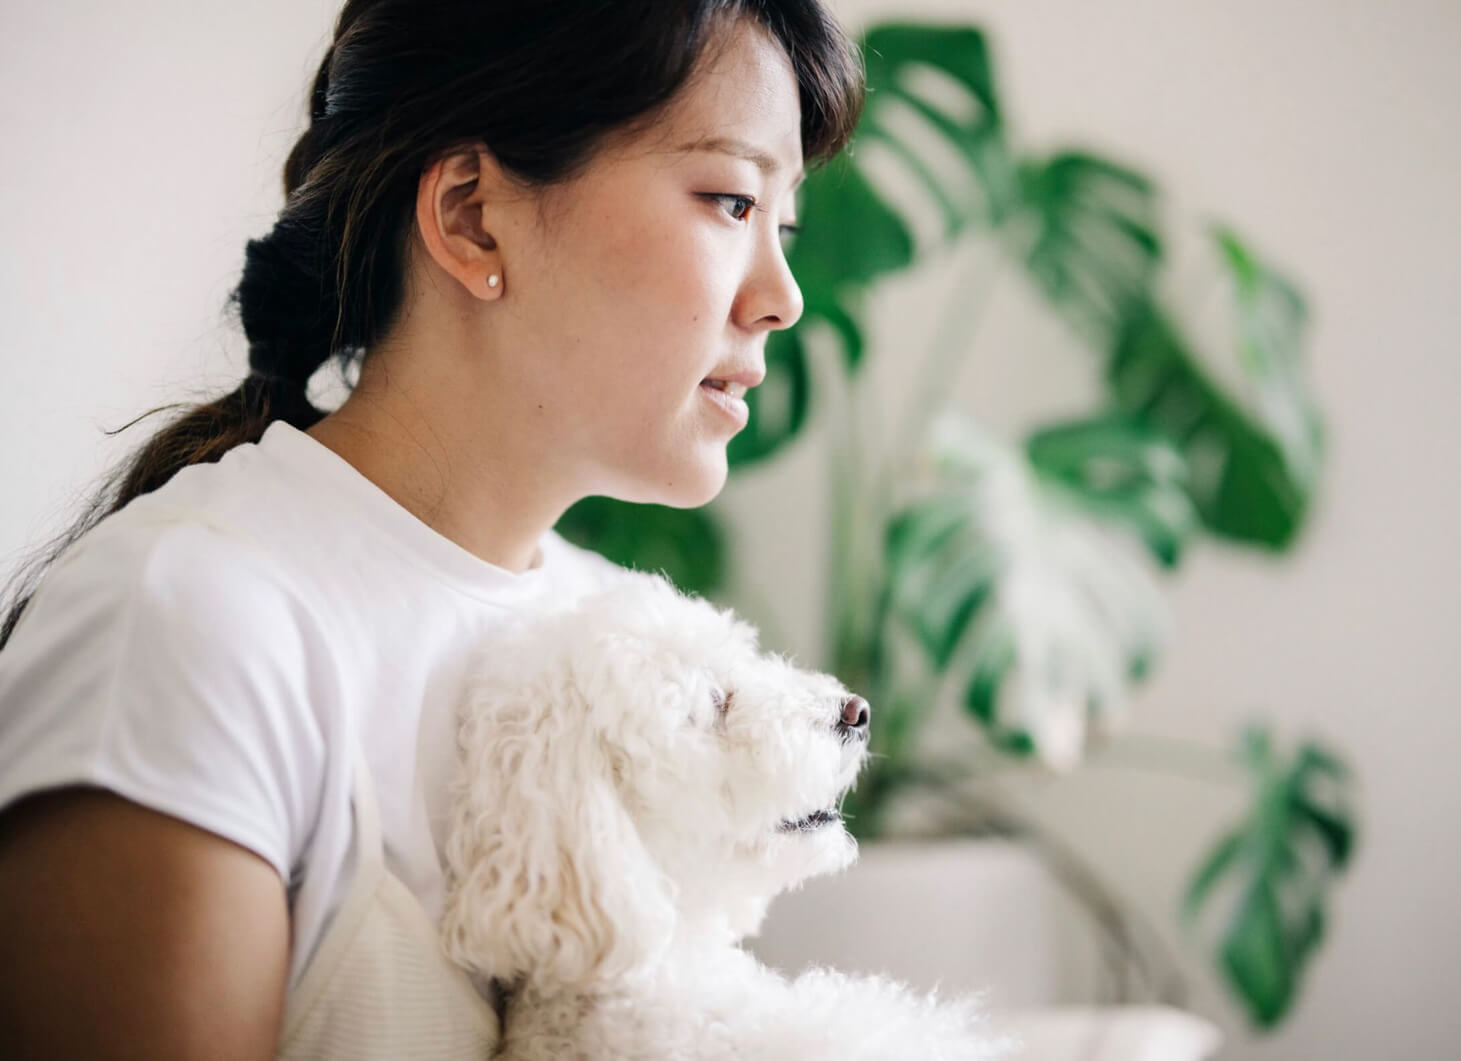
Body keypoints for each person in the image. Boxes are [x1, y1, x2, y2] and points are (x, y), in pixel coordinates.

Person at [0, 1, 863, 1056]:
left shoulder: (611, 646)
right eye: (730, 200)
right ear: (471, 216)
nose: (782, 297)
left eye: (783, 226)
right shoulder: (185, 630)